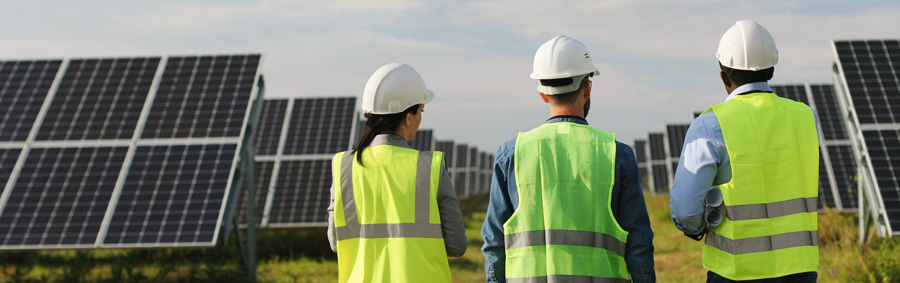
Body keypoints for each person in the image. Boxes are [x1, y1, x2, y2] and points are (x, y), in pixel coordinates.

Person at [481, 35, 656, 283]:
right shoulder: (617, 155)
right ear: (587, 88)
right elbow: (639, 245)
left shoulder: (512, 155)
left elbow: (494, 244)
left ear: (542, 93)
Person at [669, 20, 819, 282]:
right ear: (771, 69)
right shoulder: (806, 116)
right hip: (800, 269)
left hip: (736, 271)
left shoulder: (710, 125)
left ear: (723, 76)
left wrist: (696, 228)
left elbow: (685, 211)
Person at [327, 63, 467, 283]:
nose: (420, 119)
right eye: (421, 111)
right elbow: (457, 245)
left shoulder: (343, 166)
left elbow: (335, 241)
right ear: (408, 116)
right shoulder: (430, 167)